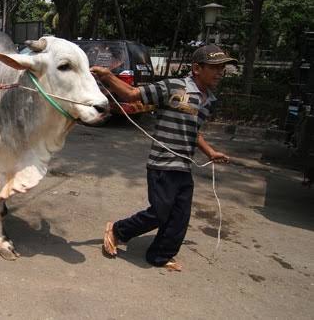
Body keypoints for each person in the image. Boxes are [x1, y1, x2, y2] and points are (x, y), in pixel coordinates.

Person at [91, 44, 234, 272]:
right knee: (160, 212)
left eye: (222, 68)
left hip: (183, 166)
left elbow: (194, 130)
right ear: (197, 68)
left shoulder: (209, 100)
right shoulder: (174, 86)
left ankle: (160, 255)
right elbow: (132, 94)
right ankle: (118, 230)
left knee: (179, 216)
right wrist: (108, 75)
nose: (220, 73)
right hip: (162, 163)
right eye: (215, 67)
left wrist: (210, 152)